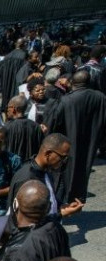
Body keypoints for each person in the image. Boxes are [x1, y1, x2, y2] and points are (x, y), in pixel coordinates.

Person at [45, 70, 106, 202]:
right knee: (84, 168)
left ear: (73, 82)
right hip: (91, 139)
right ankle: (78, 197)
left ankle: (65, 199)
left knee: (65, 171)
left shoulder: (67, 100)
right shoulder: (101, 97)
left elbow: (54, 122)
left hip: (69, 140)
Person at [7, 133, 84, 219]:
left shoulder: (46, 172)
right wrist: (61, 214)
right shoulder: (27, 178)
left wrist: (63, 206)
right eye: (62, 157)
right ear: (48, 154)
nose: (63, 162)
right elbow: (24, 221)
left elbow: (49, 201)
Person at [4, 95, 44, 161]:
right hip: (30, 166)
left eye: (8, 107)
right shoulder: (36, 127)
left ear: (14, 109)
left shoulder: (7, 127)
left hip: (13, 166)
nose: (7, 110)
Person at [0, 38, 28, 110]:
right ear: (24, 45)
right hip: (16, 83)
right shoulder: (24, 55)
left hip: (6, 82)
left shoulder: (7, 56)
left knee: (6, 101)